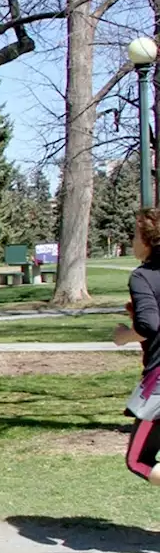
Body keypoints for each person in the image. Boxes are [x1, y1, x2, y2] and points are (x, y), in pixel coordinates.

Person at [114, 208, 160, 486]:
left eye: (134, 235)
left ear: (147, 239)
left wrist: (124, 335)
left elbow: (149, 325)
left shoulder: (142, 276)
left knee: (138, 459)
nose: (132, 242)